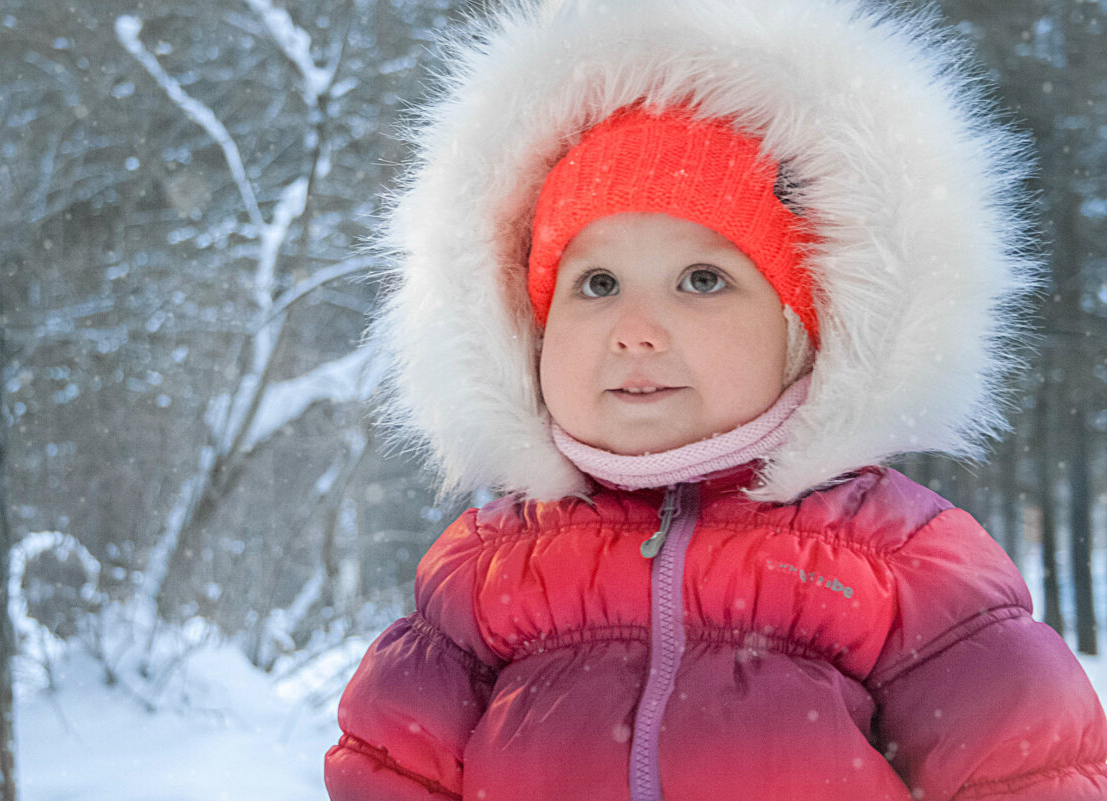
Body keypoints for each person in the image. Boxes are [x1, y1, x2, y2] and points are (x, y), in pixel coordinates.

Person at [324, 1, 1107, 799]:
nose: (634, 329)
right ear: (530, 327)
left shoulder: (904, 566)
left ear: (801, 327)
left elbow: (1030, 768)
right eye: (596, 283)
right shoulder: (484, 575)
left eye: (702, 280)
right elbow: (388, 770)